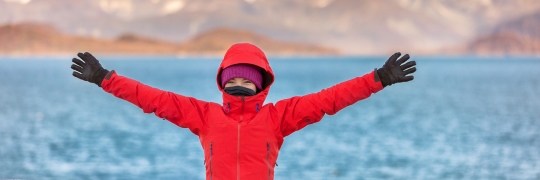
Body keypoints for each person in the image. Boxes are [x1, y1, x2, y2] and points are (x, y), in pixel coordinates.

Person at [70, 43, 416, 180]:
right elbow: (153, 99)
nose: (239, 82)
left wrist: (379, 79)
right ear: (222, 80)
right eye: (232, 76)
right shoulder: (204, 115)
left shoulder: (278, 117)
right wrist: (104, 78)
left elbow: (329, 99)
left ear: (261, 83)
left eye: (247, 78)